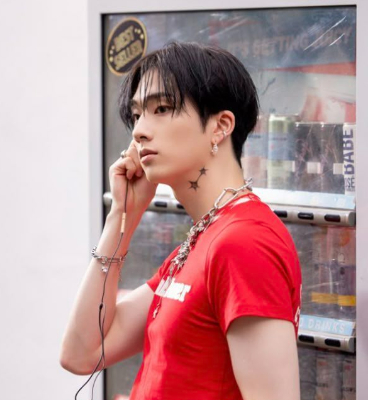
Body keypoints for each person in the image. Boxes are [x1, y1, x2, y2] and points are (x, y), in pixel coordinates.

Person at [60, 42, 302, 400]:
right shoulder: (204, 239)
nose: (139, 131)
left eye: (161, 109)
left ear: (220, 126)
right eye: (137, 114)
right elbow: (82, 353)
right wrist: (122, 217)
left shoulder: (244, 243)